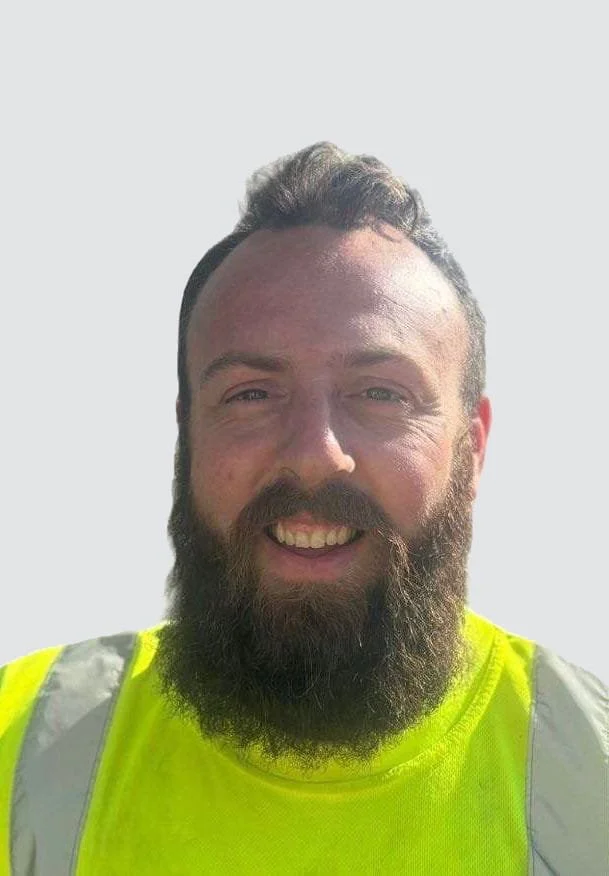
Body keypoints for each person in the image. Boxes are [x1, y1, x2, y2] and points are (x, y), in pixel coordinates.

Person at [1, 143, 606, 876]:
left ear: (471, 448)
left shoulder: (591, 767)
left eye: (380, 393)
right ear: (187, 433)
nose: (315, 454)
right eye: (250, 394)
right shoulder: (21, 746)